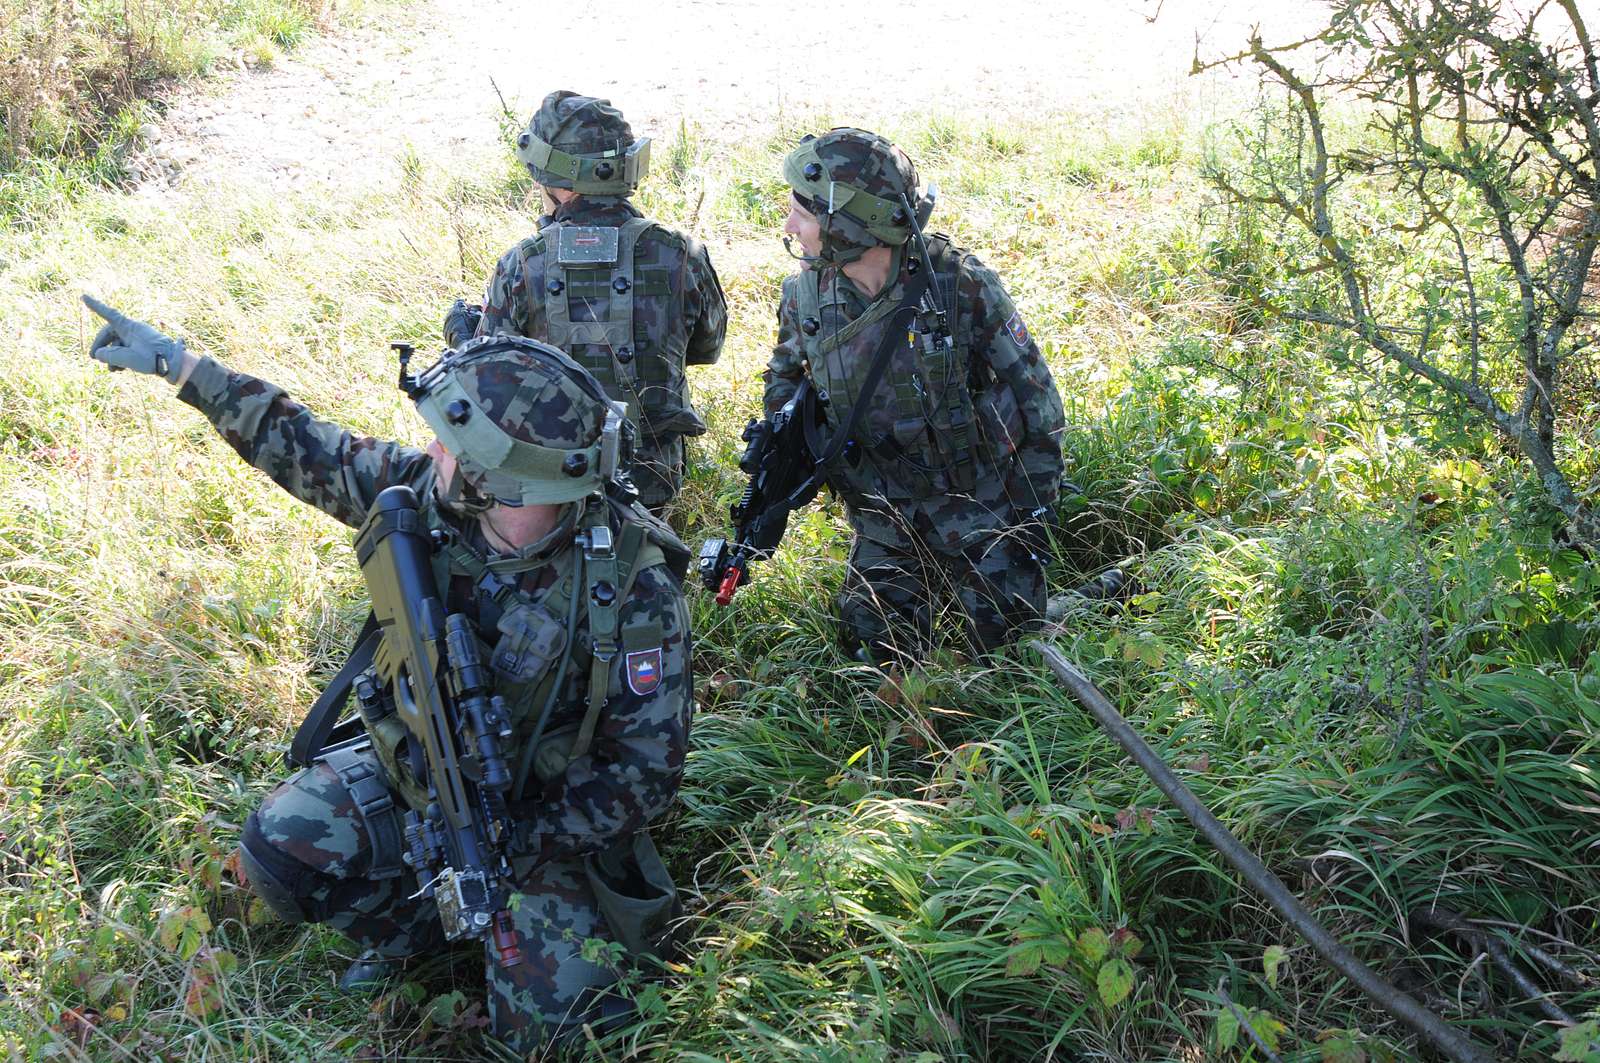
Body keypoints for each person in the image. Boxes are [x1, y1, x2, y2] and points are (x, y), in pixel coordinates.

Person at [79, 294, 693, 1051]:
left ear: (512, 481)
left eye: (454, 448)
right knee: (281, 846)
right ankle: (417, 936)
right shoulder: (436, 498)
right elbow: (310, 448)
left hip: (546, 831)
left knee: (559, 1036)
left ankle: (494, 935)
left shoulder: (630, 593)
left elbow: (644, 776)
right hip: (418, 769)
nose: (433, 454)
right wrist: (185, 367)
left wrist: (519, 836)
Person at [763, 128, 1067, 660]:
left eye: (802, 214)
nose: (790, 227)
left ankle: (1099, 588)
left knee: (1010, 650)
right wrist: (785, 451)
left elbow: (1037, 401)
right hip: (885, 512)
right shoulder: (804, 294)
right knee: (871, 651)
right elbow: (786, 378)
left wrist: (1035, 519)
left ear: (847, 226)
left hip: (978, 504)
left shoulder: (958, 283)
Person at [447, 90, 727, 517]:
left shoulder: (523, 264)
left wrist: (462, 340)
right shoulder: (681, 255)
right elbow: (707, 350)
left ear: (556, 181)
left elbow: (491, 387)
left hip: (552, 488)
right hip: (652, 483)